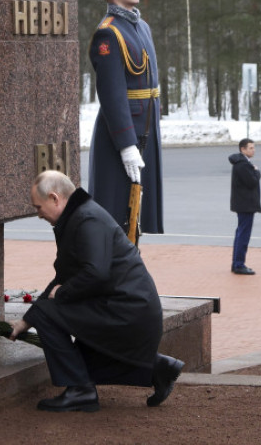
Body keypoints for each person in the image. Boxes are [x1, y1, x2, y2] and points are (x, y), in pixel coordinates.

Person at [9, 171, 184, 412]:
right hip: (125, 307)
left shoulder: (87, 219)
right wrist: (25, 322)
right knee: (74, 355)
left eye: (38, 207)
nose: (37, 214)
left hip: (128, 312)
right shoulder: (78, 217)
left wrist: (60, 295)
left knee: (50, 318)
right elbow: (65, 276)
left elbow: (95, 274)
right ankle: (157, 369)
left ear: (54, 198)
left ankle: (80, 390)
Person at [86, 0, 163, 235]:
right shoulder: (109, 32)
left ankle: (129, 268)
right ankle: (116, 275)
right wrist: (126, 144)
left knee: (137, 216)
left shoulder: (141, 27)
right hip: (123, 135)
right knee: (117, 214)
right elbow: (112, 95)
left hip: (145, 130)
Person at [229, 138, 261, 275]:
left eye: (253, 148)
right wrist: (257, 172)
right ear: (243, 149)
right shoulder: (243, 165)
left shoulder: (242, 163)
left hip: (243, 204)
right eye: (250, 148)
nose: (253, 150)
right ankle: (238, 264)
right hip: (245, 205)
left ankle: (237, 262)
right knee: (243, 234)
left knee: (240, 233)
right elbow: (252, 181)